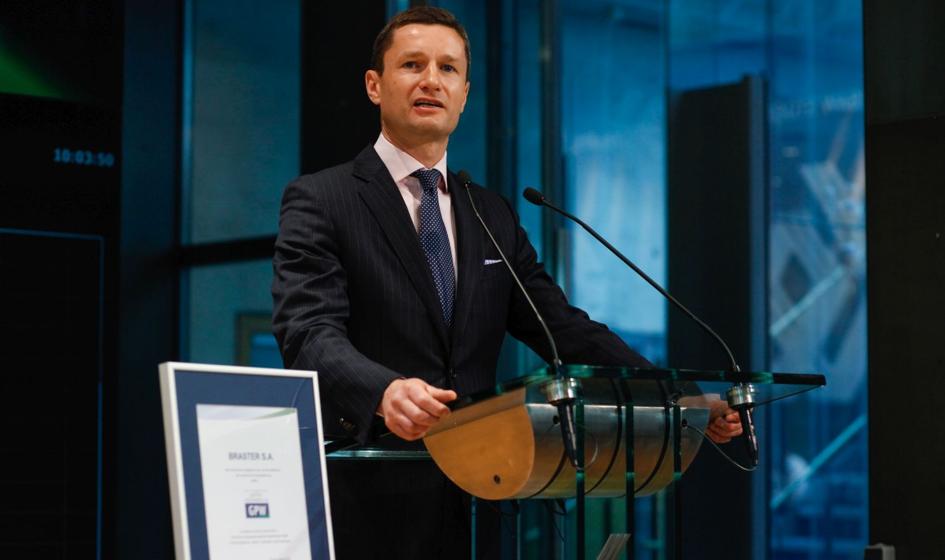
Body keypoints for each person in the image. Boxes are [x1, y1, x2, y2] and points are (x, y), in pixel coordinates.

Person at [271, 6, 742, 558]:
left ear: (464, 94)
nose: (431, 80)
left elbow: (563, 329)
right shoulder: (322, 199)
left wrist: (677, 397)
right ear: (375, 85)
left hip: (483, 498)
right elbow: (308, 330)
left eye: (448, 68)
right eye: (412, 65)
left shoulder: (490, 212)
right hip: (373, 493)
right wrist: (384, 390)